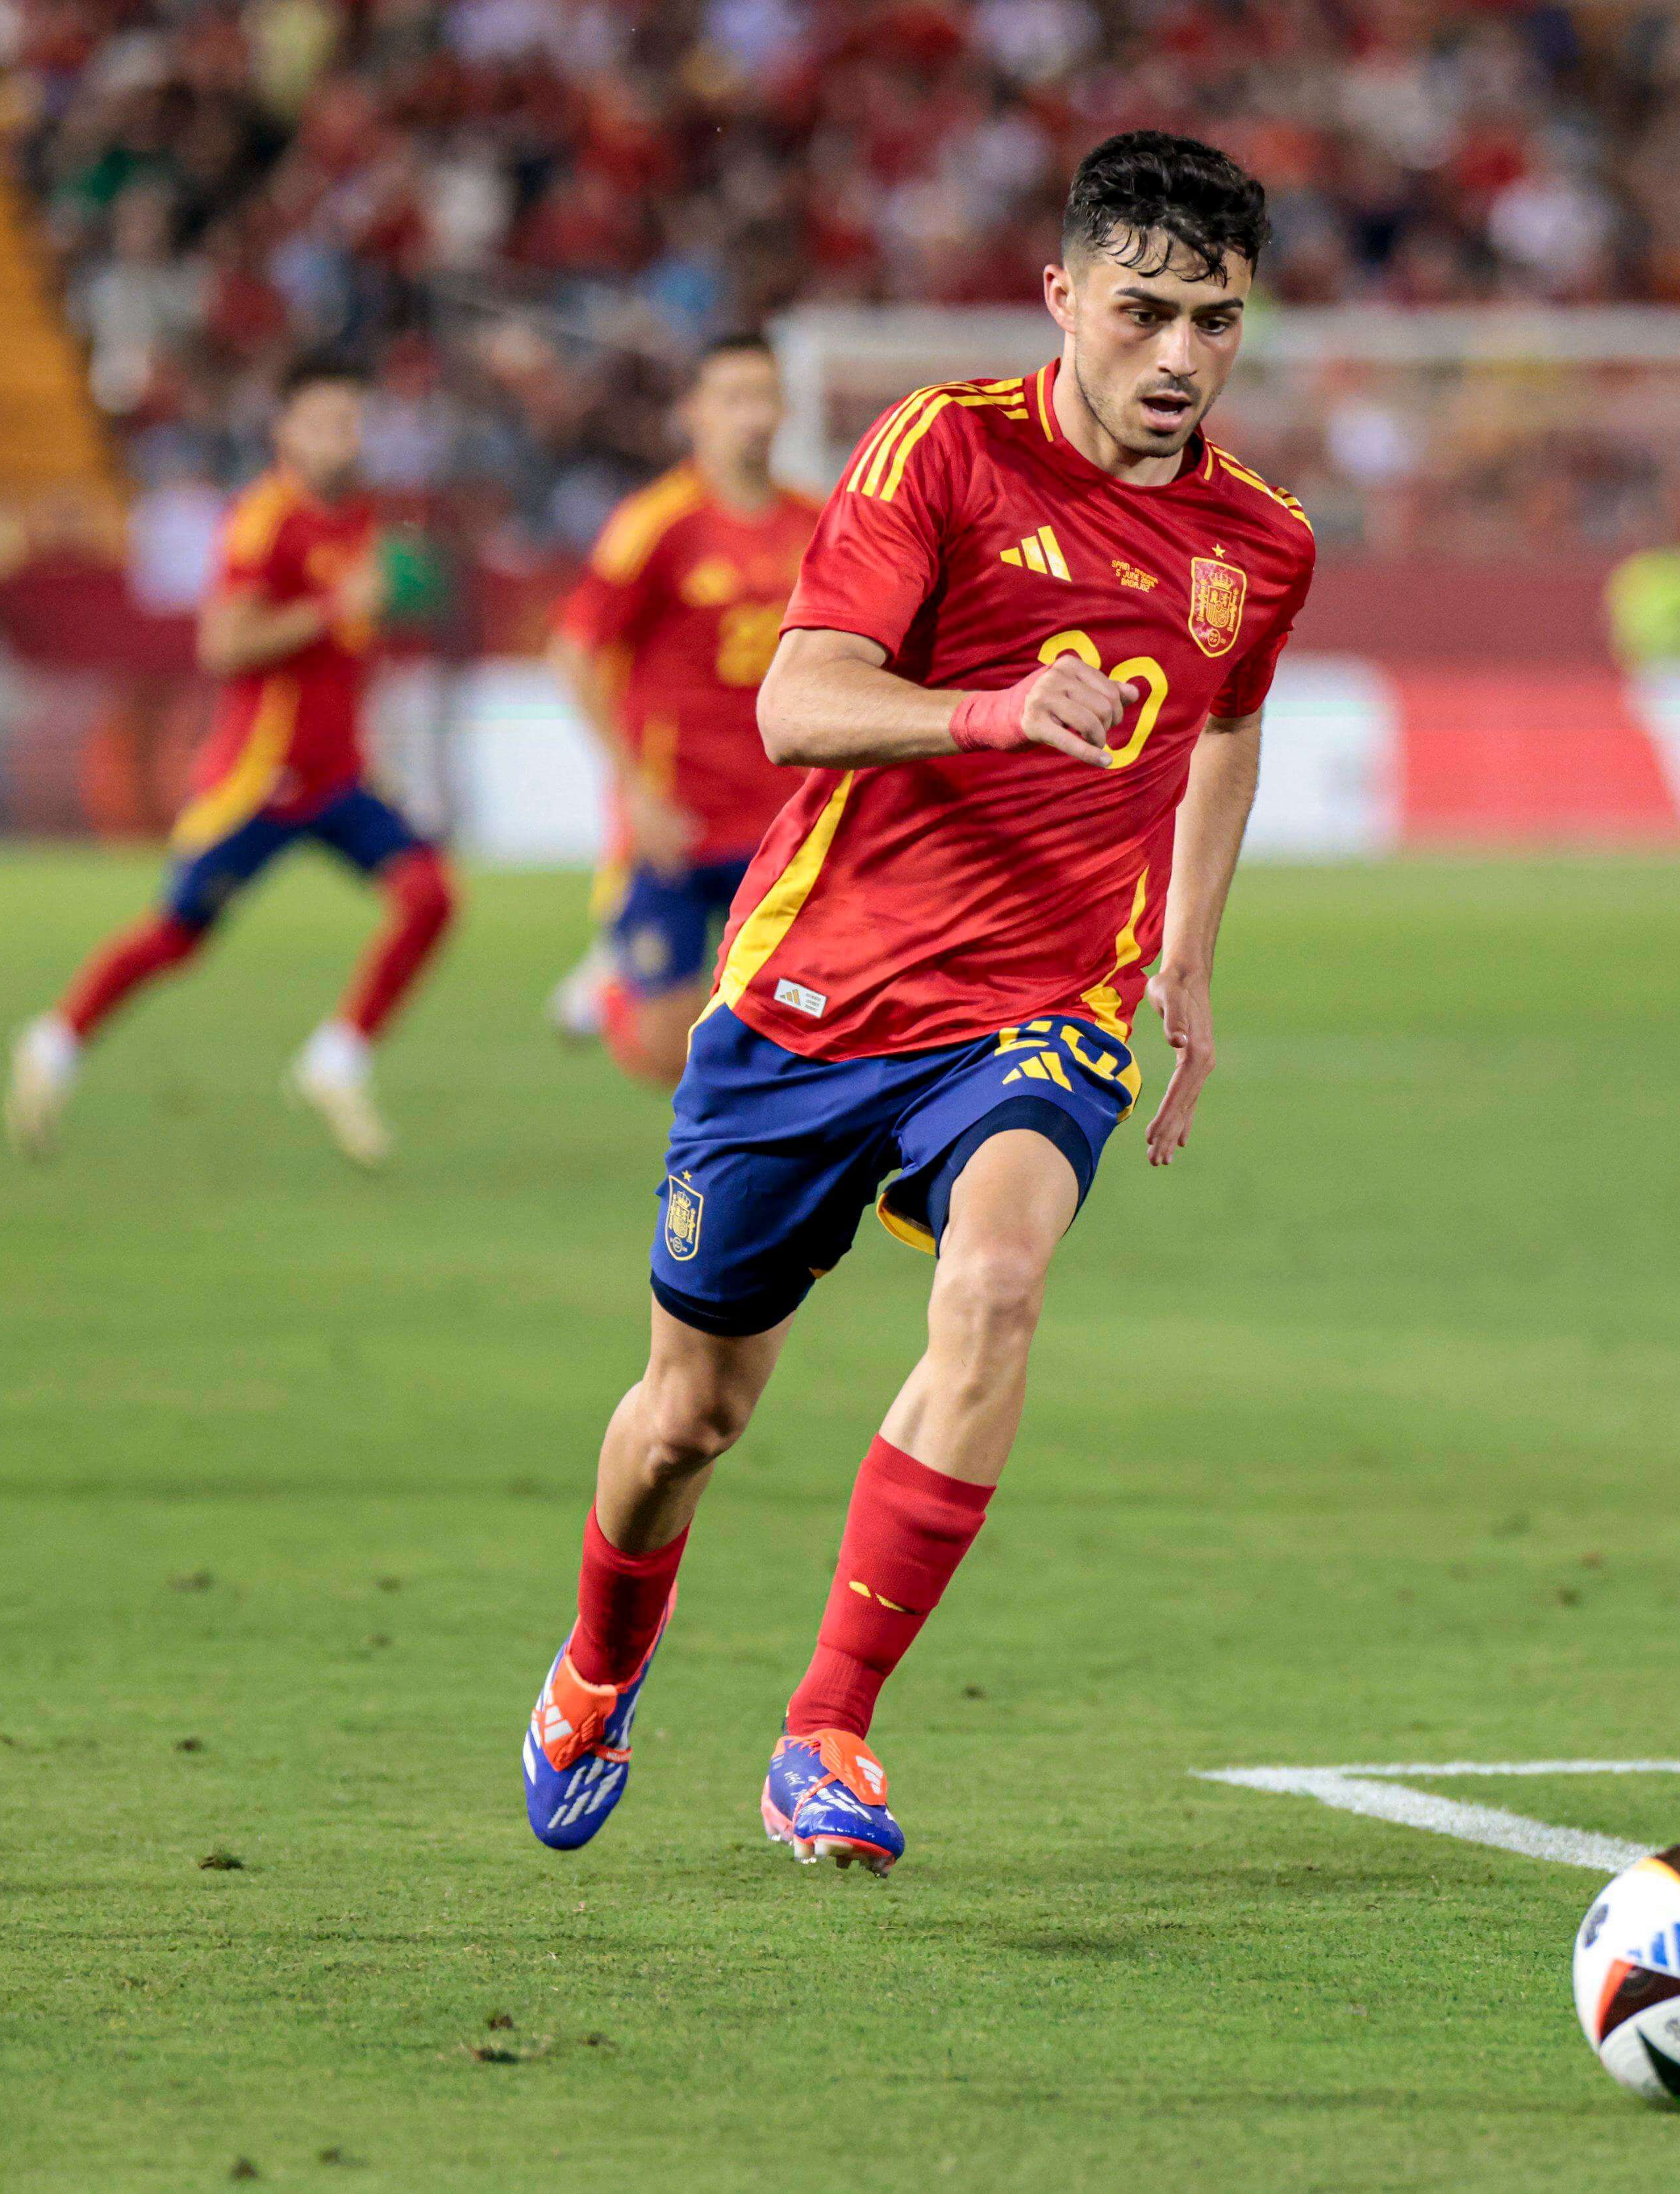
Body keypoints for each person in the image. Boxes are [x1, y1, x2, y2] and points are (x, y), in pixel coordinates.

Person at [519, 132, 1314, 1870]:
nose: (1181, 356)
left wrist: (1186, 937)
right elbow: (797, 705)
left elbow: (1231, 720)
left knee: (1000, 1282)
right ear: (1065, 299)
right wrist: (992, 713)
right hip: (816, 991)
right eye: (1146, 311)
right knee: (689, 1416)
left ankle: (827, 1726)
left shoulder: (1259, 537)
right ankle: (600, 1659)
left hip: (1047, 997)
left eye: (1220, 321)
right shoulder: (942, 449)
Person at [6, 351, 456, 1166]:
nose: (341, 437)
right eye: (323, 421)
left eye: (351, 421)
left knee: (429, 896)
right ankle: (52, 1042)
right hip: (260, 779)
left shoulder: (363, 520)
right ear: (285, 429)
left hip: (338, 777)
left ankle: (336, 1060)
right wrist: (333, 607)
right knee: (178, 936)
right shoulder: (264, 520)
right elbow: (223, 644)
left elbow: (347, 658)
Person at [545, 334, 820, 1082]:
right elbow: (574, 652)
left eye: (763, 396)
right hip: (678, 817)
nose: (752, 416)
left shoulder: (816, 523)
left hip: (783, 825)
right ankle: (612, 988)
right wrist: (635, 793)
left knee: (796, 1037)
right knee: (667, 1054)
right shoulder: (656, 523)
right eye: (732, 397)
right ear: (693, 413)